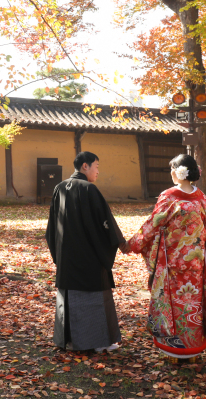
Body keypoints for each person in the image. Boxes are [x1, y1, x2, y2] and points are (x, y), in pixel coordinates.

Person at [126, 154, 206, 361]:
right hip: (196, 262)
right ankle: (193, 347)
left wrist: (133, 243)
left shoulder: (169, 196)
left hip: (172, 262)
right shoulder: (202, 198)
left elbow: (153, 224)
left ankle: (174, 349)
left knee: (175, 303)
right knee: (193, 303)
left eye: (172, 169)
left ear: (180, 172)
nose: (170, 173)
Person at [45, 151, 128, 352]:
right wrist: (120, 242)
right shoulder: (90, 189)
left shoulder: (59, 188)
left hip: (67, 257)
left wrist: (58, 255)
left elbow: (51, 228)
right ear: (85, 166)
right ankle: (97, 342)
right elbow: (105, 222)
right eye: (96, 166)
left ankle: (69, 341)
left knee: (69, 297)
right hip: (90, 256)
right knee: (94, 297)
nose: (98, 171)